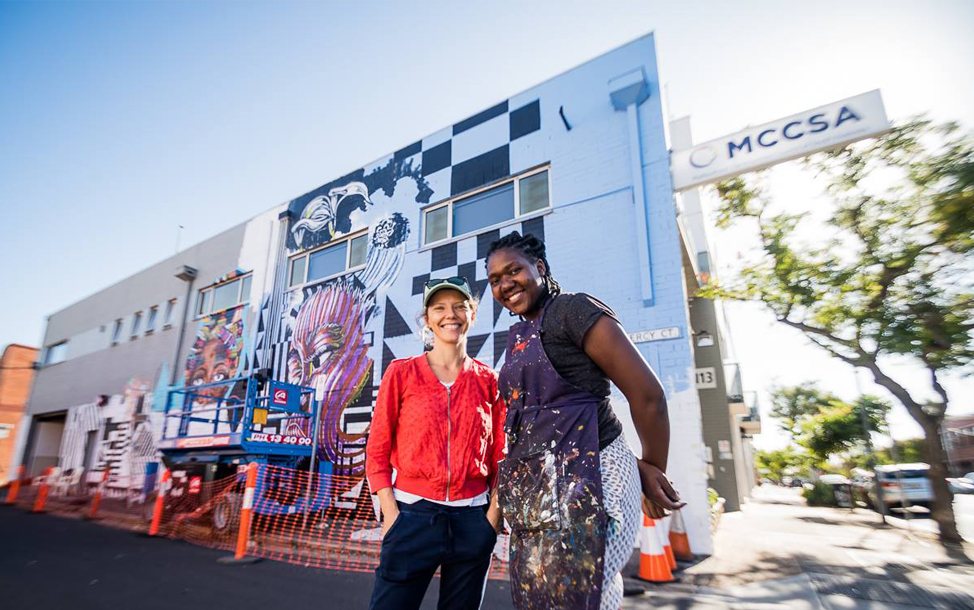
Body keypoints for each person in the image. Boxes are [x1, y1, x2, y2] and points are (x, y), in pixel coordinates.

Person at [486, 232, 684, 610]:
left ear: (539, 268)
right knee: (558, 599)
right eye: (495, 279)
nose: (505, 283)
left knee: (574, 597)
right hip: (542, 494)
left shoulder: (573, 311)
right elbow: (530, 429)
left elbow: (648, 396)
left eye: (514, 271)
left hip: (595, 479)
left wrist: (652, 469)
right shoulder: (517, 337)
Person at [365, 276, 506, 610]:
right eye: (439, 307)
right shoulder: (401, 374)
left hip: (473, 520)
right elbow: (378, 448)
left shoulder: (490, 382)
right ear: (427, 319)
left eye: (460, 306)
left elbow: (503, 455)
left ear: (472, 315)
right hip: (412, 517)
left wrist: (493, 517)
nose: (450, 315)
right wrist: (391, 514)